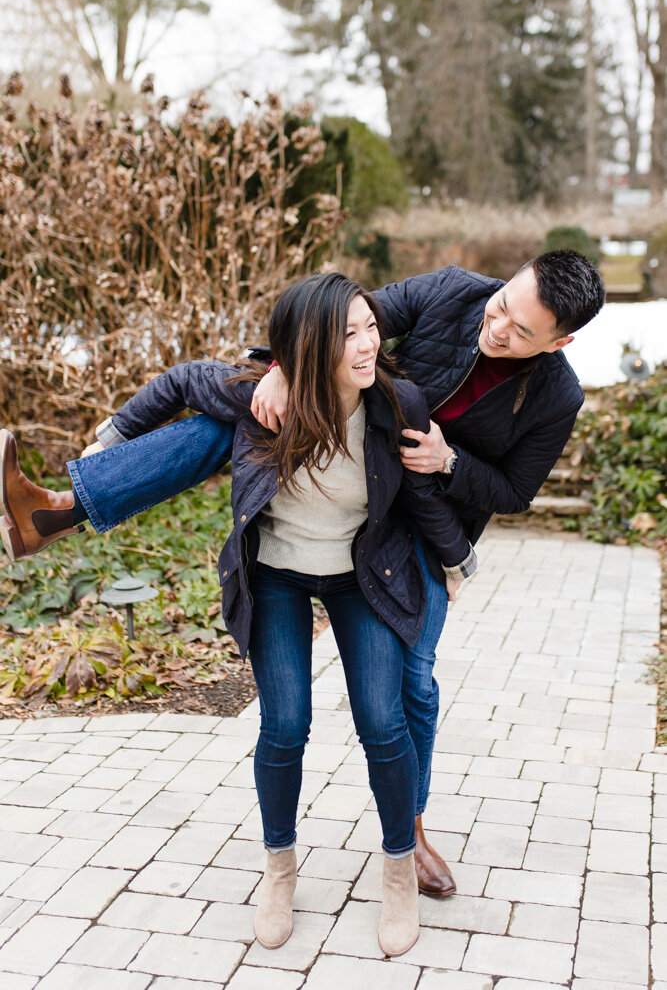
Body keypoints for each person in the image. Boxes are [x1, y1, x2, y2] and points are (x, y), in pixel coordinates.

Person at [0, 248, 605, 897]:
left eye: (520, 331)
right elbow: (349, 315)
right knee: (234, 418)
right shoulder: (453, 291)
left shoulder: (554, 394)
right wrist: (285, 368)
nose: (497, 327)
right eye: (502, 304)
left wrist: (447, 460)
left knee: (412, 687)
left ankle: (412, 828)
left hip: (422, 525)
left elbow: (514, 491)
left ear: (557, 342)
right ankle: (55, 513)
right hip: (358, 456)